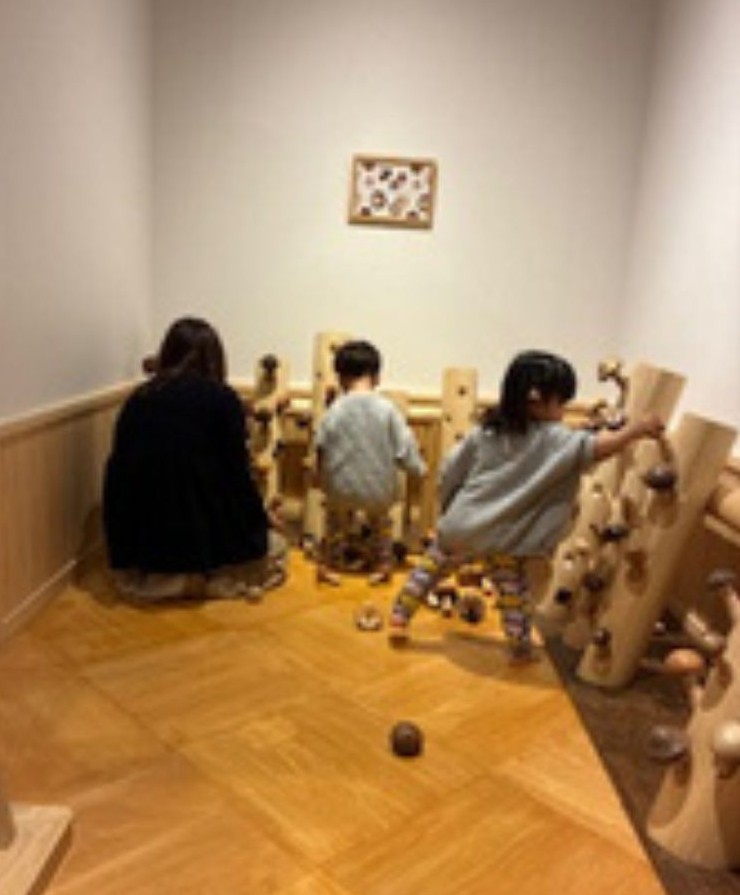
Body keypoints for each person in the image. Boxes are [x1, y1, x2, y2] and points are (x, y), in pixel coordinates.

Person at [388, 349, 664, 662]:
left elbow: (450, 470)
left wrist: (450, 508)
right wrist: (637, 430)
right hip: (507, 541)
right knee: (512, 595)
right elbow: (599, 447)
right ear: (535, 398)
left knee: (427, 572)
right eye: (560, 402)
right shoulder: (557, 439)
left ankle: (399, 617)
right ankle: (519, 646)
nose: (562, 411)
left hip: (463, 527)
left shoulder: (486, 431)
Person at [103, 316, 284, 600]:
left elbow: (118, 473)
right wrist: (259, 520)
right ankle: (201, 579)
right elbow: (235, 477)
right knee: (277, 548)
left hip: (143, 539)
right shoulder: (223, 399)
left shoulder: (139, 398)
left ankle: (164, 580)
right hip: (201, 534)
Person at [314, 339, 427, 585]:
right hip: (379, 491)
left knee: (335, 523)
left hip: (340, 489)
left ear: (341, 377)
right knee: (381, 523)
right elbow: (405, 447)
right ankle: (383, 565)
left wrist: (321, 479)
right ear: (376, 377)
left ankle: (328, 564)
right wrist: (418, 468)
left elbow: (321, 446)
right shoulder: (387, 410)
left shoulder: (335, 410)